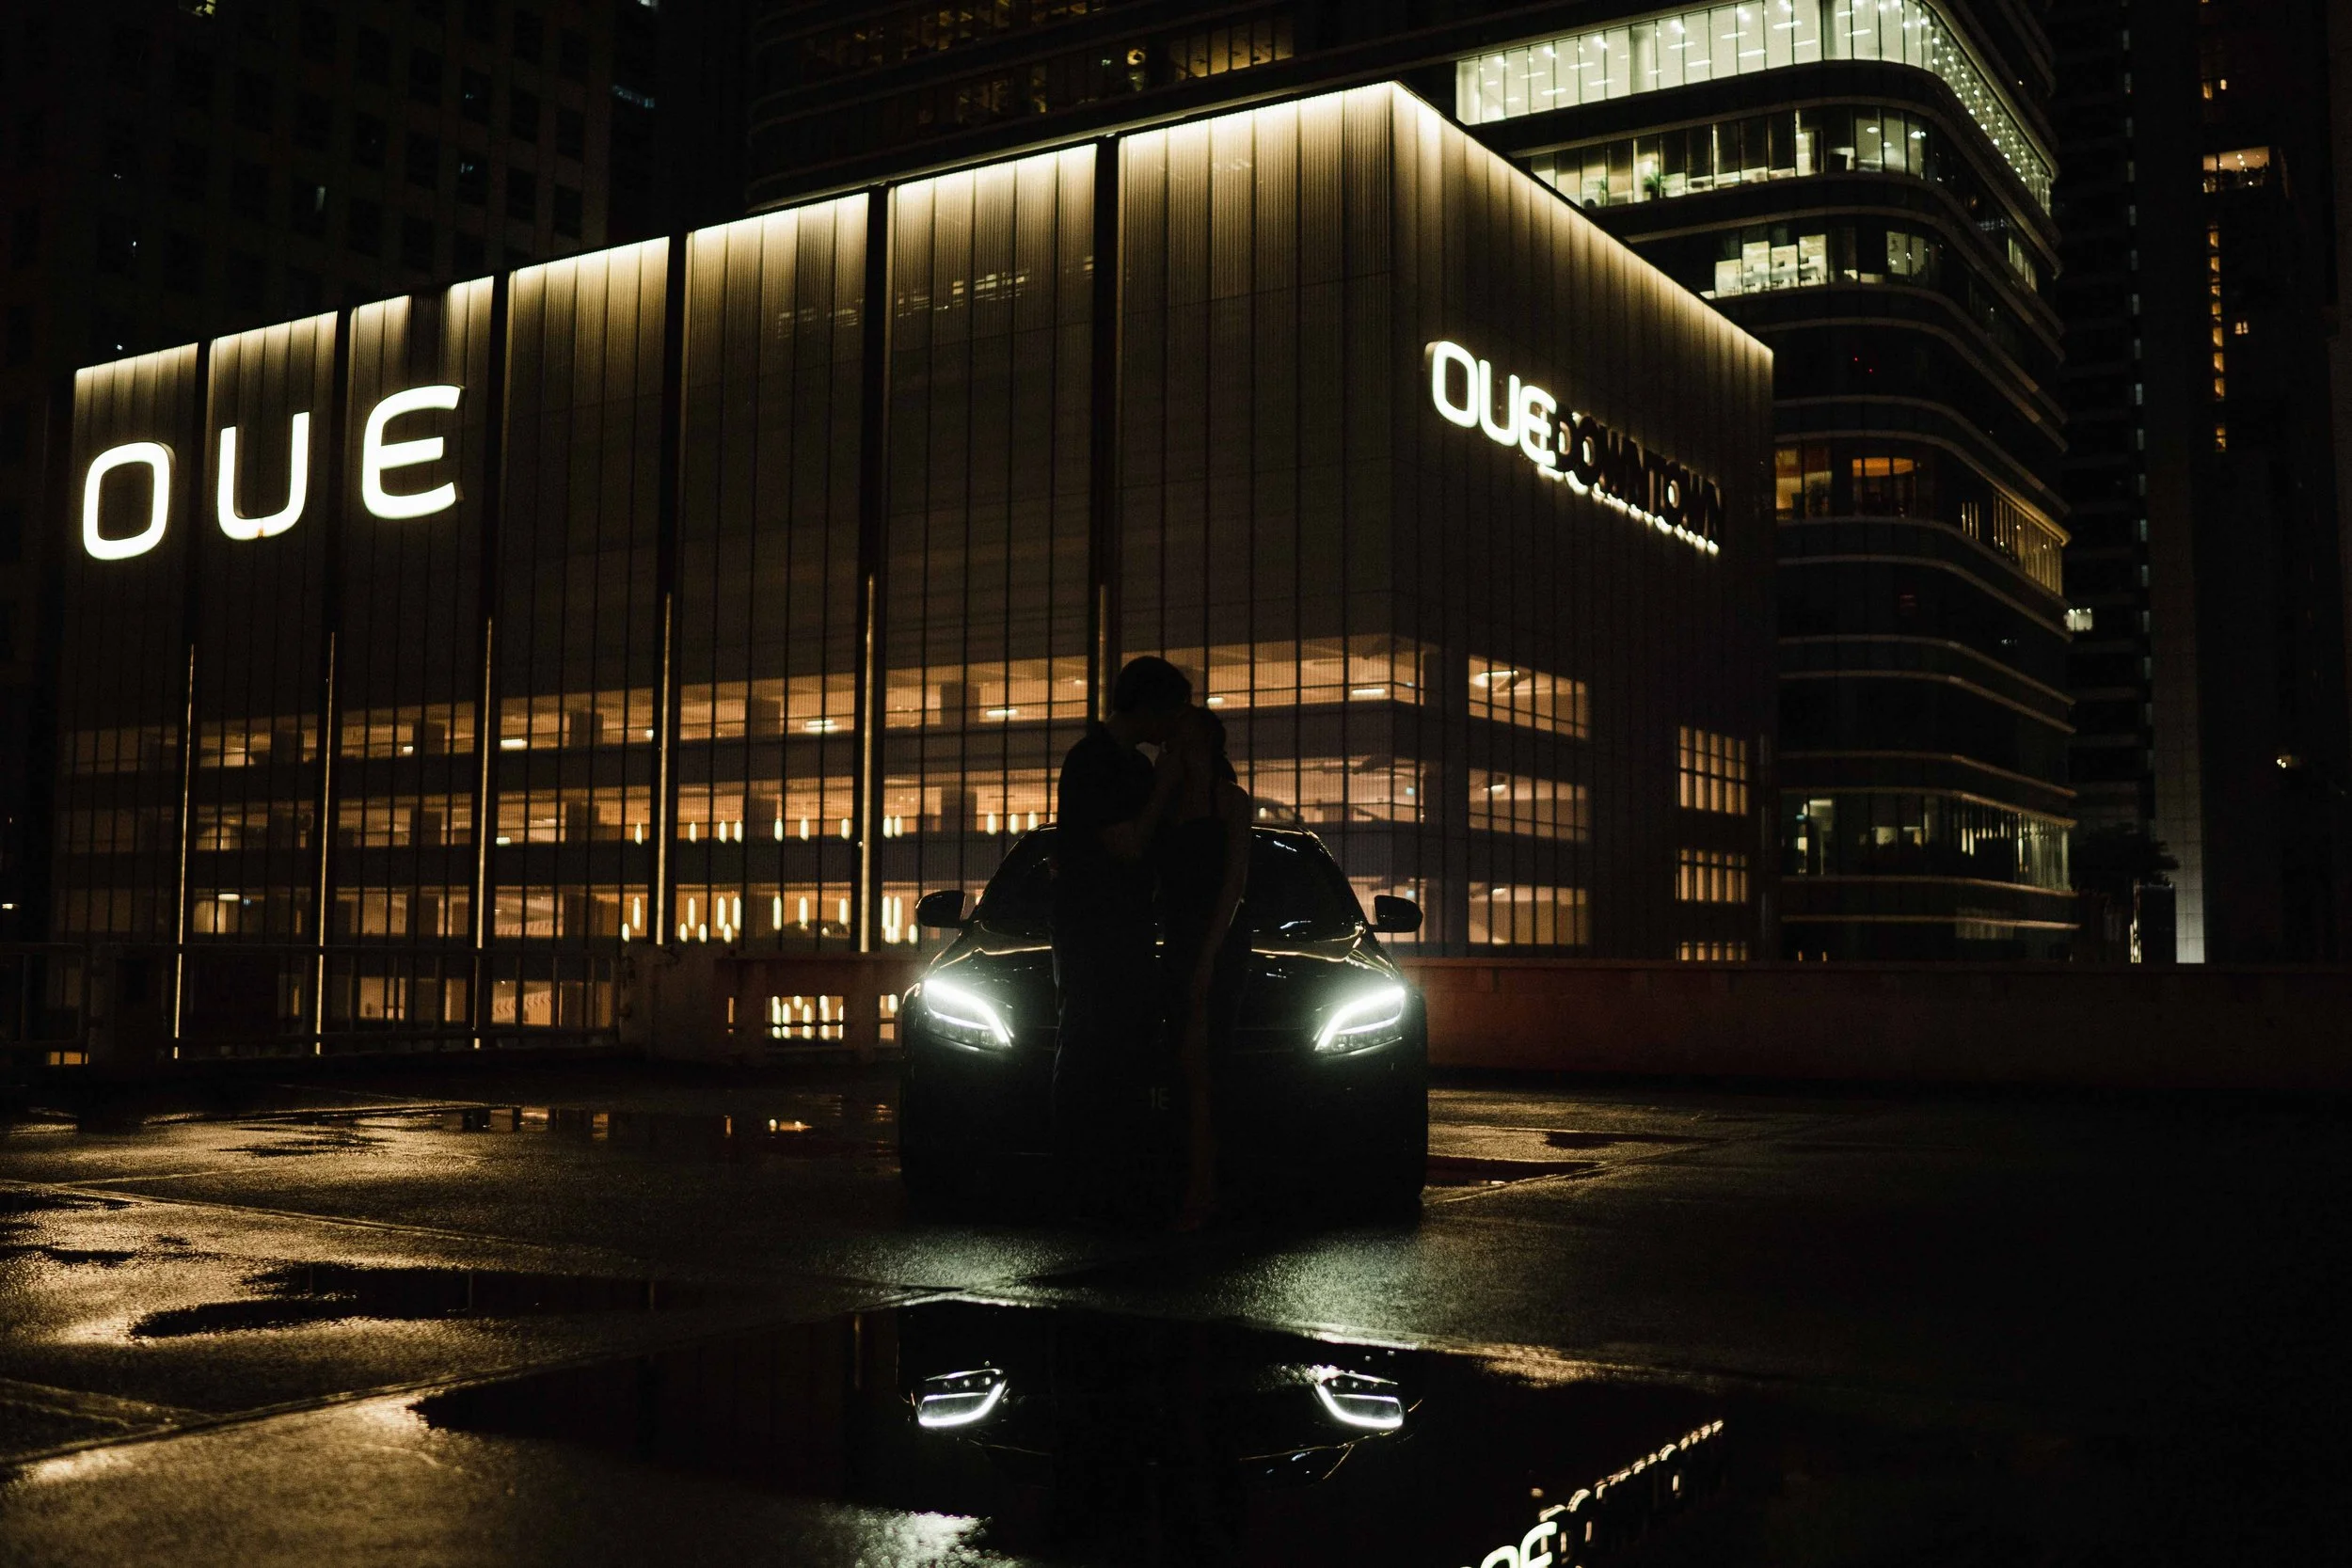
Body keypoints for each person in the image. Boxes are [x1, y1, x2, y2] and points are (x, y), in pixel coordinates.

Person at [1050, 656, 1193, 1218]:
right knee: (1089, 1046)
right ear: (1149, 705)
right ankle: (1079, 1175)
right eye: (1173, 710)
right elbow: (1129, 845)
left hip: (1123, 929)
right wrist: (1165, 787)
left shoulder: (1129, 764)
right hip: (1093, 931)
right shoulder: (1093, 761)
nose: (1175, 724)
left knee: (1118, 1051)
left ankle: (1108, 1173)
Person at [1154, 707, 1253, 1230]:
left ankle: (1204, 1186)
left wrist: (1209, 955)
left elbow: (1234, 883)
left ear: (1208, 744)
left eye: (1184, 738)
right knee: (1186, 1062)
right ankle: (1194, 1181)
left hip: (1216, 940)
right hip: (1177, 941)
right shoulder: (1167, 803)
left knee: (1204, 1063)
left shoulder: (1230, 801)